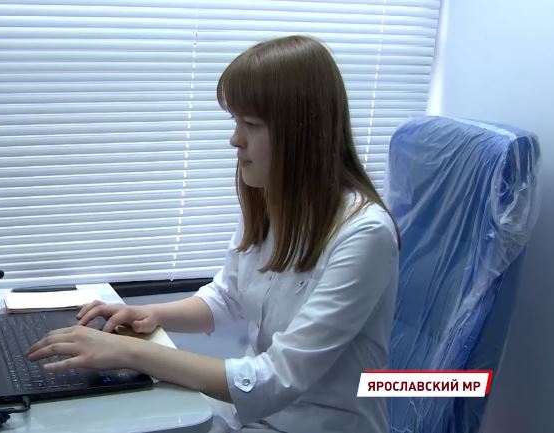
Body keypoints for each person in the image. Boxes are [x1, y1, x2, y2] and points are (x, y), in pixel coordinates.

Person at [26, 35, 400, 433]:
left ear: (302, 134)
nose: (235, 139)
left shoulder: (365, 235)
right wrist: (151, 315)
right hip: (254, 419)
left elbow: (276, 378)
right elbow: (227, 296)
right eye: (235, 121)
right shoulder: (273, 203)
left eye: (251, 124)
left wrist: (129, 352)